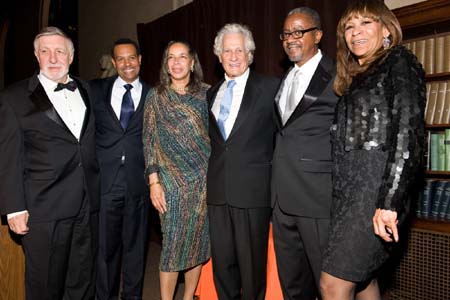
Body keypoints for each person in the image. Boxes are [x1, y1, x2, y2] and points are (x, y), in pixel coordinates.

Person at [320, 1, 425, 299]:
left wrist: (390, 201)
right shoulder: (359, 76)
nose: (356, 33)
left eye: (365, 23)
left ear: (386, 28)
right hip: (349, 195)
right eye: (349, 27)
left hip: (376, 191)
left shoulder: (400, 61)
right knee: (364, 279)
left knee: (333, 284)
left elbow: (409, 133)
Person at [0, 26, 99, 299]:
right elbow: (8, 157)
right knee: (45, 285)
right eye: (45, 51)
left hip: (87, 204)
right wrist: (14, 208)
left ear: (71, 56)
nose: (53, 58)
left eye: (60, 51)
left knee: (82, 280)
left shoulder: (87, 89)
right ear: (36, 55)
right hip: (43, 210)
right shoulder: (13, 98)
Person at [207, 23, 279, 300]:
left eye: (239, 50)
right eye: (227, 50)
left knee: (252, 272)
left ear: (250, 54)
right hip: (217, 194)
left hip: (253, 194)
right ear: (219, 55)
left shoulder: (271, 87)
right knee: (223, 268)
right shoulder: (211, 93)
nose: (233, 56)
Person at [271, 7, 338, 299]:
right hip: (281, 197)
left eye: (299, 31)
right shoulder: (285, 76)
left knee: (329, 285)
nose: (290, 39)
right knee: (293, 285)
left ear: (318, 35)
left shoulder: (338, 75)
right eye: (286, 33)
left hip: (317, 197)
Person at [143, 40, 210, 300]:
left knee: (197, 243)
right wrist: (154, 183)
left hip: (203, 181)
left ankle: (189, 296)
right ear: (166, 64)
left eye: (183, 57)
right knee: (172, 246)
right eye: (171, 57)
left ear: (192, 63)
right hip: (169, 183)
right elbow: (149, 141)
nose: (177, 62)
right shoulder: (156, 96)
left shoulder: (207, 93)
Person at [90, 38, 150, 300]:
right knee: (106, 251)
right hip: (106, 182)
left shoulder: (154, 94)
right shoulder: (94, 90)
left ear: (140, 59)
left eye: (132, 58)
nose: (127, 64)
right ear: (114, 62)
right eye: (121, 59)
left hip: (139, 183)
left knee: (135, 250)